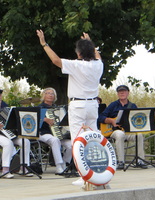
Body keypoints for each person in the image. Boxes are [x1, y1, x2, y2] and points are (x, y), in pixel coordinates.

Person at [36, 30, 103, 186]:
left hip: (78, 105)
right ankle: (97, 171)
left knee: (78, 140)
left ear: (78, 53)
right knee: (93, 138)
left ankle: (84, 175)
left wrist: (44, 44)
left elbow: (55, 60)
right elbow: (97, 55)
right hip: (93, 104)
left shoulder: (76, 64)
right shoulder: (98, 64)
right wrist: (90, 42)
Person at [0, 91, 33, 178]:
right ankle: (5, 169)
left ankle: (24, 167)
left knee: (25, 141)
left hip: (5, 134)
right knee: (8, 143)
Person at [98, 85, 147, 169]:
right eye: (120, 91)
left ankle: (140, 160)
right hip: (115, 130)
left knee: (139, 134)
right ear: (117, 94)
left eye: (124, 91)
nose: (122, 93)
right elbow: (101, 117)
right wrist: (111, 121)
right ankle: (121, 161)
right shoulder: (113, 105)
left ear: (128, 93)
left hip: (128, 131)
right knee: (120, 135)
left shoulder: (133, 106)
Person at [38, 87, 72, 174]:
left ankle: (64, 163)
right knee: (55, 140)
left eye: (52, 94)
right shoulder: (39, 107)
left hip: (58, 134)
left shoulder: (58, 108)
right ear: (44, 95)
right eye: (48, 93)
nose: (50, 95)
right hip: (44, 133)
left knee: (72, 144)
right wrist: (44, 119)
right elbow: (33, 121)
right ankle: (58, 166)